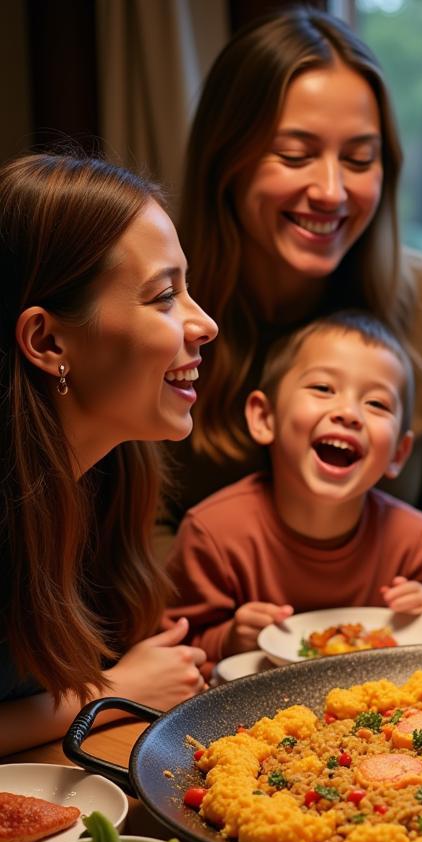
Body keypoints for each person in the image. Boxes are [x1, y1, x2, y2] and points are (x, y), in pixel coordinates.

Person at [165, 7, 422, 583]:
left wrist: (382, 589)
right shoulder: (159, 313)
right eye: (294, 155)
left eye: (358, 159)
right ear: (227, 159)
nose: (330, 191)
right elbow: (131, 519)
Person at [0, 153, 217, 756]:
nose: (205, 325)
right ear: (46, 340)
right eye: (164, 296)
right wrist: (110, 690)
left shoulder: (108, 474)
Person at [165, 311, 422, 670]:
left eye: (377, 404)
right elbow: (178, 647)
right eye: (323, 389)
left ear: (398, 452)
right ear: (264, 418)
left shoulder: (411, 539)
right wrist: (231, 637)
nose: (349, 413)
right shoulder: (213, 532)